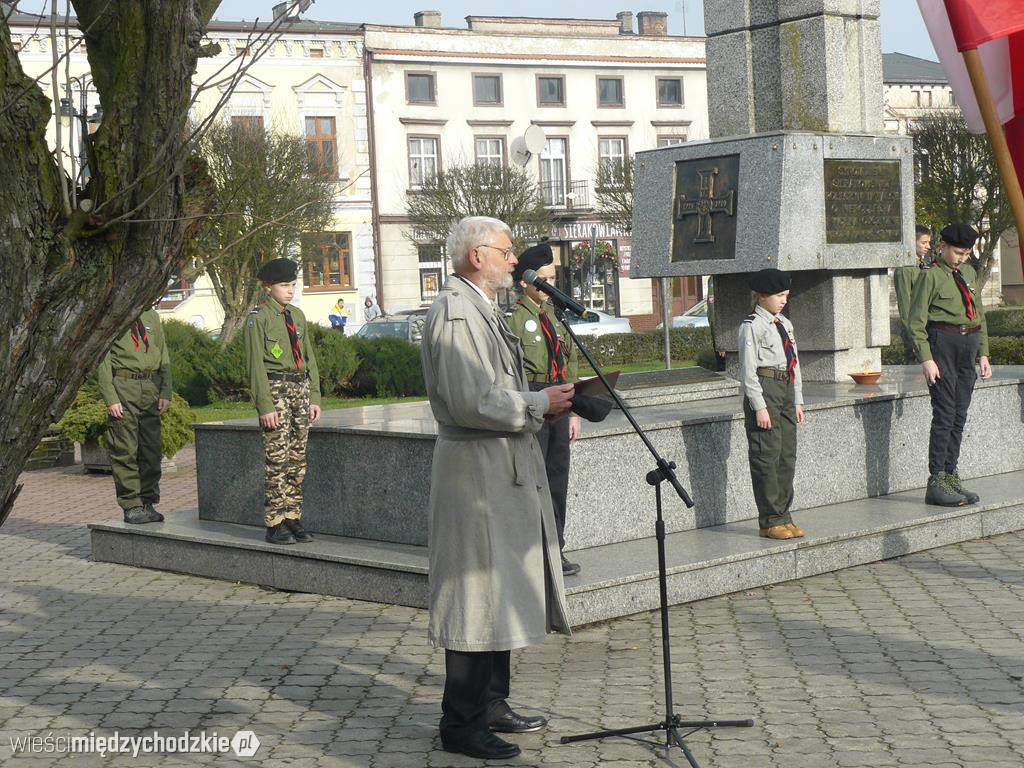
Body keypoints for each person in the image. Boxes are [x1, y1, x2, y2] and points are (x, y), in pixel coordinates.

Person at [420, 216, 575, 761]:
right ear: (476, 256)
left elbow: (497, 388)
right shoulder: (457, 312)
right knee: (474, 594)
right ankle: (460, 724)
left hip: (499, 465)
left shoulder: (483, 308)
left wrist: (551, 394)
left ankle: (492, 702)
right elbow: (472, 400)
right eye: (506, 252)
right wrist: (538, 404)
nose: (516, 261)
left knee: (500, 587)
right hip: (475, 471)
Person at [508, 243, 583, 577]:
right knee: (533, 480)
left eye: (554, 278)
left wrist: (575, 410)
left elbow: (571, 359)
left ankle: (557, 549)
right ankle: (533, 550)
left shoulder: (555, 315)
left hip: (559, 397)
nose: (551, 286)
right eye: (544, 280)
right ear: (526, 282)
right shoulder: (515, 319)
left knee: (557, 478)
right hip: (533, 396)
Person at [907, 222, 991, 507]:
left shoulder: (967, 273)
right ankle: (937, 479)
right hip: (943, 345)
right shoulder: (930, 277)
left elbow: (979, 315)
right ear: (942, 246)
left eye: (966, 254)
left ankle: (952, 474)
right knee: (944, 413)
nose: (962, 258)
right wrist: (926, 358)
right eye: (957, 252)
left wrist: (984, 353)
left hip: (968, 347)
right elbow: (915, 322)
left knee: (959, 414)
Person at [244, 257, 322, 545]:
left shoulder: (297, 316)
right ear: (268, 287)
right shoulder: (259, 318)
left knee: (297, 459)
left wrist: (314, 396)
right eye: (284, 285)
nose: (290, 290)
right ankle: (274, 522)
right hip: (275, 390)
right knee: (277, 459)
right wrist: (264, 405)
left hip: (300, 389)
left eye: (293, 284)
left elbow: (309, 357)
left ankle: (292, 516)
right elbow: (255, 366)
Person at [737, 268, 806, 540]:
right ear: (761, 295)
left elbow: (795, 365)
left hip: (786, 387)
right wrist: (759, 405)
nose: (784, 300)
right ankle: (769, 519)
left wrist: (797, 400)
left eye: (786, 295)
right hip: (766, 388)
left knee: (786, 454)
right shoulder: (752, 325)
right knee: (767, 454)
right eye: (779, 295)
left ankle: (784, 514)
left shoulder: (785, 324)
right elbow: (747, 371)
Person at [97, 308, 173, 524]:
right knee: (125, 450)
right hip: (124, 385)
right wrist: (110, 397)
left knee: (151, 450)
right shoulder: (114, 313)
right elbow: (103, 358)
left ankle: (148, 502)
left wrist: (166, 390)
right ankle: (131, 505)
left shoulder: (152, 315)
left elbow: (163, 351)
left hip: (151, 386)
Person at [894, 225, 933, 362]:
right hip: (915, 332)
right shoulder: (905, 270)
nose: (928, 246)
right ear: (912, 242)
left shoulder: (923, 266)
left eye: (928, 242)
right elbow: (906, 308)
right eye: (924, 242)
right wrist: (913, 338)